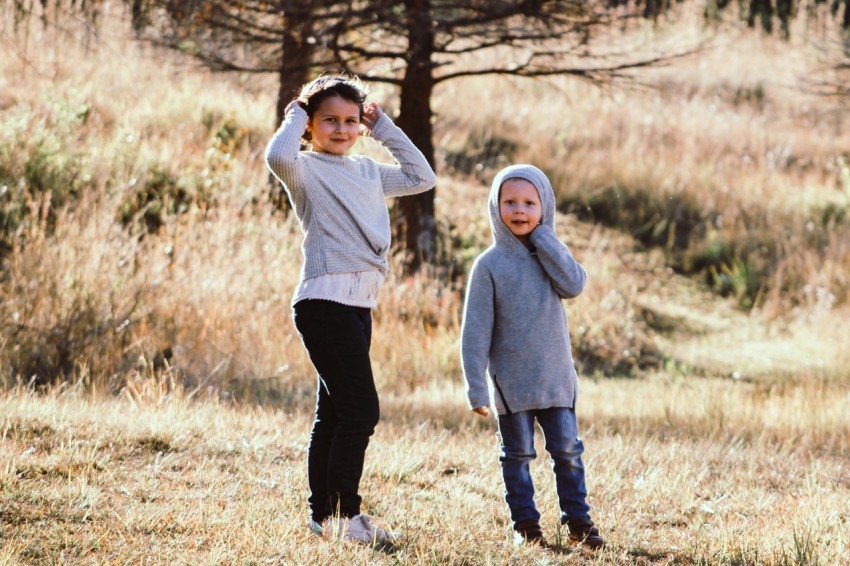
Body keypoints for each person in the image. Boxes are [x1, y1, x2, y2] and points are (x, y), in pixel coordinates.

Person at [265, 74, 437, 546]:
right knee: (361, 411)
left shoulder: (366, 171)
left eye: (348, 121)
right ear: (310, 127)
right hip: (324, 302)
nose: (340, 129)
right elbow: (275, 155)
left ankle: (324, 517)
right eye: (328, 121)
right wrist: (298, 109)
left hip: (358, 306)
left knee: (336, 412)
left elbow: (422, 177)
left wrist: (383, 127)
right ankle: (345, 518)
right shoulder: (303, 167)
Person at [460, 163, 604, 549]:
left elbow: (574, 284)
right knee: (518, 456)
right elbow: (475, 333)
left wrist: (545, 238)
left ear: (545, 207)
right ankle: (526, 528)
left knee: (569, 453)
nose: (519, 210)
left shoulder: (552, 254)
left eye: (529, 202)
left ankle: (579, 523)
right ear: (495, 207)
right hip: (512, 385)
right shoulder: (488, 265)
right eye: (509, 202)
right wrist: (476, 388)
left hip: (556, 378)